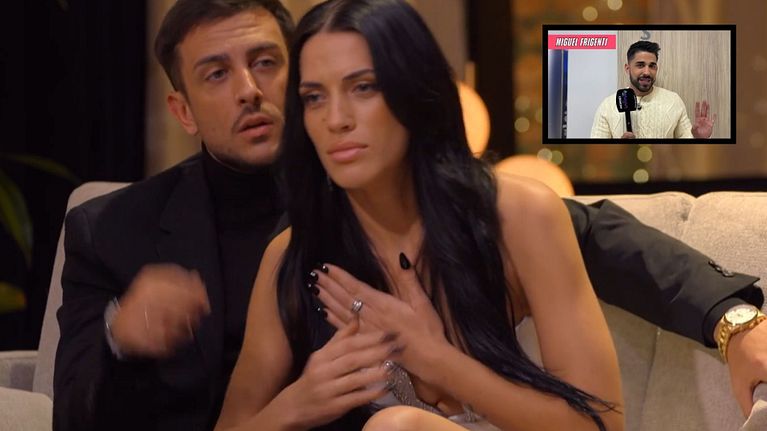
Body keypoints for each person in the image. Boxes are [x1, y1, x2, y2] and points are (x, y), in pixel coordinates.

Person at [53, 0, 765, 430]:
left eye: (267, 63)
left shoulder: (503, 212)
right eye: (317, 97)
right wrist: (301, 398)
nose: (251, 91)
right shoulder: (276, 247)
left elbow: (600, 235)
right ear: (180, 108)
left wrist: (732, 319)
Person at [590, 40, 717, 139]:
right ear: (627, 69)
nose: (647, 72)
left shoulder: (673, 101)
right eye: (640, 65)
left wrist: (699, 138)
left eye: (652, 66)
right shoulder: (607, 106)